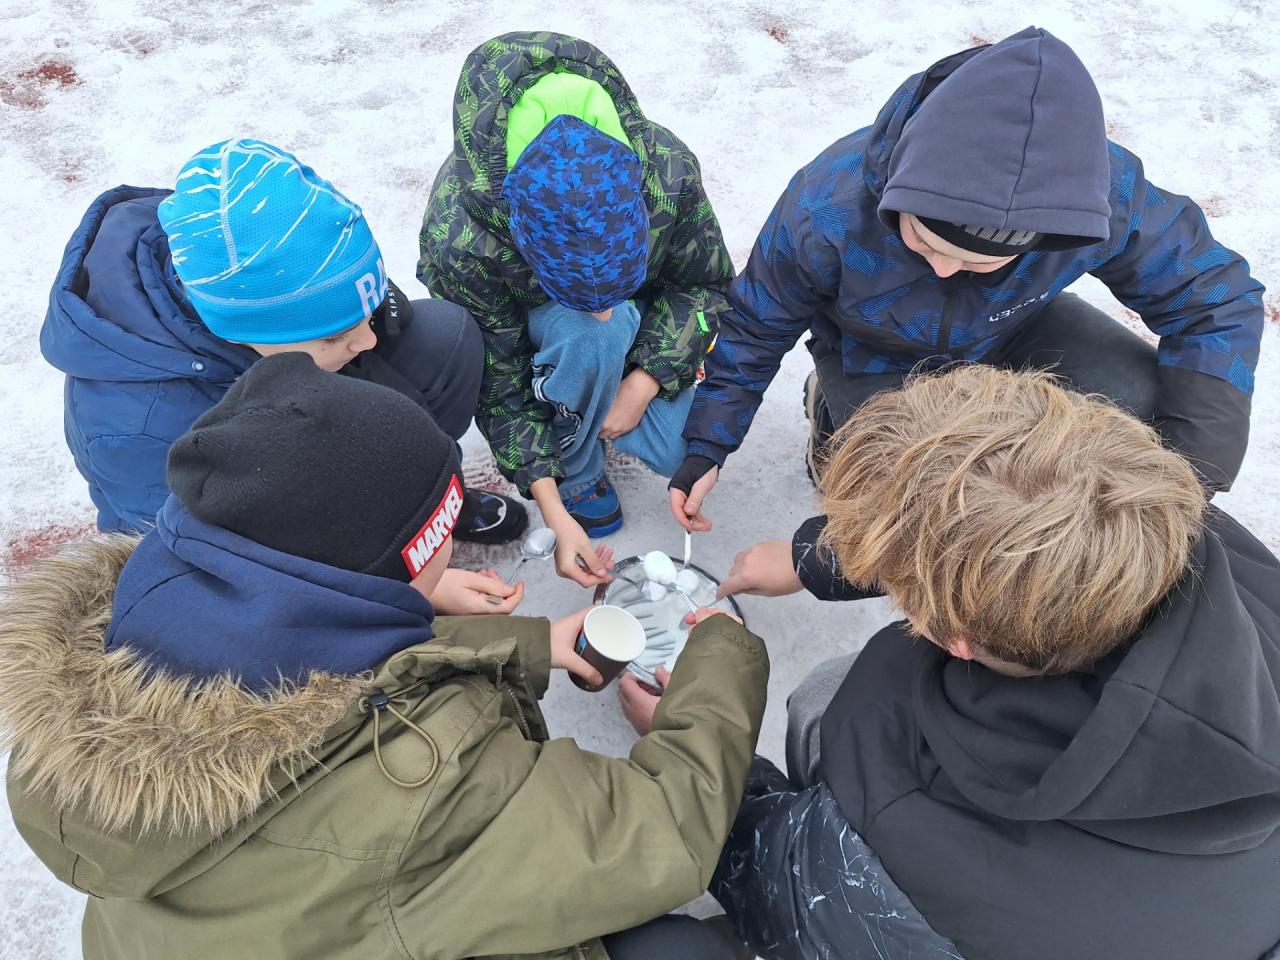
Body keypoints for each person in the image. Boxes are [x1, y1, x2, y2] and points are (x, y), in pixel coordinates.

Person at [0, 352, 769, 960]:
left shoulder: (149, 630)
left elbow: (329, 677)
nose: (453, 557)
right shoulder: (421, 784)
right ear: (398, 566)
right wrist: (720, 654)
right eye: (441, 541)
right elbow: (660, 831)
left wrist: (529, 645)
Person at [624, 366, 1280, 960]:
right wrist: (815, 561)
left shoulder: (902, 838)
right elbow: (1021, 523)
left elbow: (771, 883)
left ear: (954, 639)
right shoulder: (1185, 533)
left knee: (821, 703)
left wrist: (704, 752)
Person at [671, 26, 1265, 533]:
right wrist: (708, 445)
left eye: (978, 261)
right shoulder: (828, 204)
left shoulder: (1102, 198)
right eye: (923, 243)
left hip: (1017, 328)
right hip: (875, 354)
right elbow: (757, 323)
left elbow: (1213, 301)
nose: (943, 268)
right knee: (920, 505)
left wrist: (1186, 480)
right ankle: (830, 410)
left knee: (1142, 426)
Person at [41, 137, 527, 554]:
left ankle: (429, 502)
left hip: (299, 418)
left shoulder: (250, 253)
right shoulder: (140, 429)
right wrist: (400, 586)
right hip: (263, 526)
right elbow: (188, 559)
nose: (368, 339)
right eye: (335, 335)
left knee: (443, 335)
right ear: (241, 329)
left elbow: (347, 313)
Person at [420, 31, 734, 586]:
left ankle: (599, 391)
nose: (609, 313)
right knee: (591, 333)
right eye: (585, 297)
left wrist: (646, 380)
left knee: (687, 450)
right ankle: (580, 471)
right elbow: (496, 381)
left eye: (617, 293)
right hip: (548, 348)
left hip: (636, 344)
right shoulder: (461, 237)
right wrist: (554, 507)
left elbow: (704, 286)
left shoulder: (664, 167)